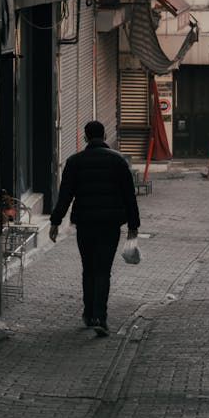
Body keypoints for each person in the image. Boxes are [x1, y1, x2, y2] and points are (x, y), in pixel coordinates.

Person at [49, 120, 140, 337]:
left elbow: (65, 196)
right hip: (110, 225)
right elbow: (129, 196)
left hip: (85, 224)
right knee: (103, 270)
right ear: (105, 135)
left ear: (85, 137)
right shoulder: (118, 162)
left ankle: (89, 313)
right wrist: (133, 226)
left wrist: (55, 221)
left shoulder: (75, 161)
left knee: (88, 268)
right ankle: (100, 316)